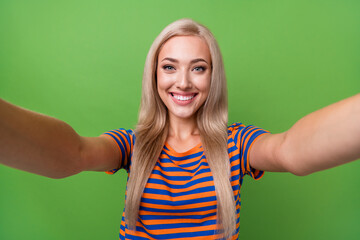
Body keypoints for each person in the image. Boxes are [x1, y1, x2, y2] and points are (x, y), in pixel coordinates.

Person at [0, 18, 359, 240]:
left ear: (213, 76)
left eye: (198, 68)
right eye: (170, 67)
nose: (183, 82)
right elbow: (74, 152)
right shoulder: (132, 145)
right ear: (154, 75)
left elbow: (290, 150)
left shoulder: (237, 143)